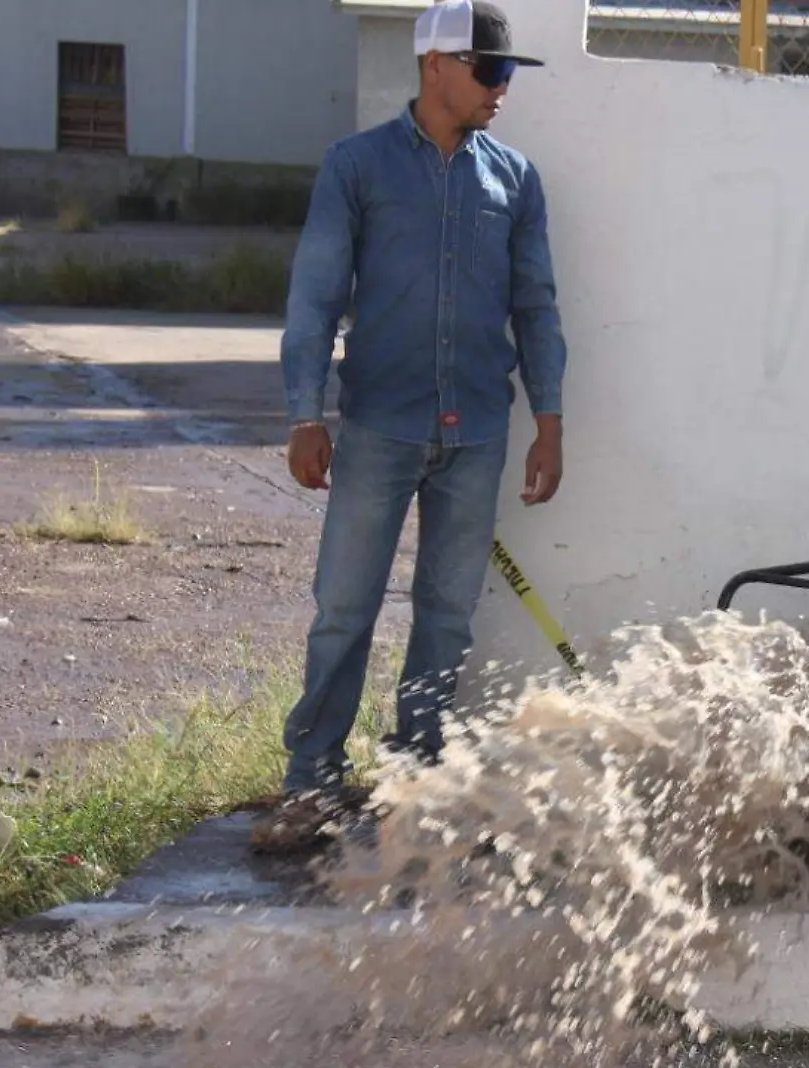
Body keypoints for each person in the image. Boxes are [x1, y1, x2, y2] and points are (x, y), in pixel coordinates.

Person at [252, 0, 567, 853]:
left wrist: (550, 420)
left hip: (478, 436)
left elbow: (535, 307)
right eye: (490, 71)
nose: (502, 89)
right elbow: (314, 300)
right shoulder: (355, 168)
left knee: (447, 615)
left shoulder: (514, 178)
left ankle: (413, 784)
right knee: (344, 610)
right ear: (437, 67)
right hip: (379, 429)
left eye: (507, 74)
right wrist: (303, 415)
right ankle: (311, 784)